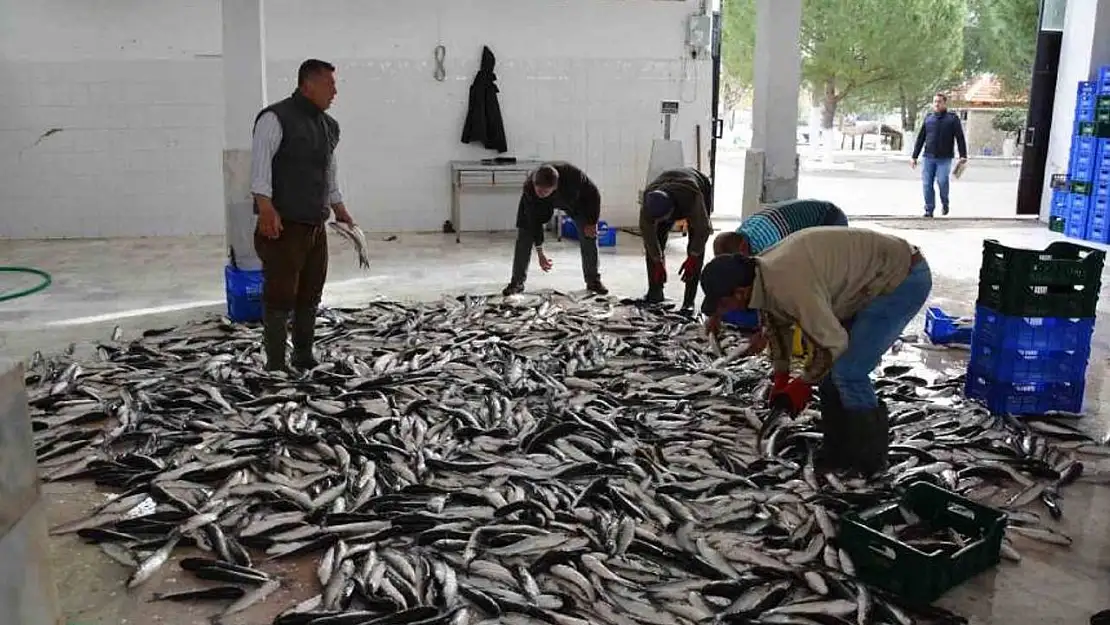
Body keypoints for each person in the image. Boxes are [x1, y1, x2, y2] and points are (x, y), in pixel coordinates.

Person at [699, 227, 932, 476]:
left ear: (740, 292)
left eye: (724, 304)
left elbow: (834, 344)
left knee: (848, 371)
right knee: (830, 372)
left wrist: (802, 383)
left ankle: (870, 463)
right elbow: (777, 324)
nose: (723, 312)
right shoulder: (761, 274)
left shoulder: (788, 282)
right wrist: (781, 377)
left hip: (900, 278)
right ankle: (838, 453)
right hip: (864, 281)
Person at [250, 58, 357, 372]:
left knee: (311, 289)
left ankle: (303, 354)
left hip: (314, 222)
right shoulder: (275, 118)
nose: (335, 91)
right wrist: (265, 207)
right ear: (308, 85)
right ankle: (274, 362)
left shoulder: (329, 126)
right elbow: (260, 166)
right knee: (281, 291)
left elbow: (329, 172)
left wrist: (339, 207)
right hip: (283, 223)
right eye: (329, 84)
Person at [502, 162, 608, 296]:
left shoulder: (574, 177)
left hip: (575, 204)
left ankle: (593, 281)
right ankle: (516, 282)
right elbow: (533, 222)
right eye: (538, 189)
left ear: (555, 187)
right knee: (524, 236)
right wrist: (540, 252)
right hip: (540, 207)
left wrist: (592, 222)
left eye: (545, 191)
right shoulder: (530, 188)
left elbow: (594, 195)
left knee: (589, 235)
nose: (540, 193)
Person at [640, 167, 714, 310]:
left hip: (698, 185)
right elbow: (648, 236)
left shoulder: (691, 197)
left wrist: (693, 257)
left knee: (696, 245)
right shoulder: (649, 201)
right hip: (667, 184)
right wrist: (657, 261)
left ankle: (688, 303)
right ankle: (655, 292)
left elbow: (703, 230)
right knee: (655, 241)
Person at [712, 198, 850, 257]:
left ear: (742, 248)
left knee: (821, 268)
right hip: (818, 212)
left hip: (830, 219)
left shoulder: (766, 245)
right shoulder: (741, 233)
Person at [911, 92, 968, 218]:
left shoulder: (952, 119)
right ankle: (929, 210)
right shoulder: (928, 118)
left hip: (944, 158)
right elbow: (921, 138)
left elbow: (960, 137)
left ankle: (945, 202)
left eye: (939, 102)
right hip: (928, 157)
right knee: (927, 184)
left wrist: (963, 154)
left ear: (944, 103)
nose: (937, 104)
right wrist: (914, 156)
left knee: (942, 181)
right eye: (935, 101)